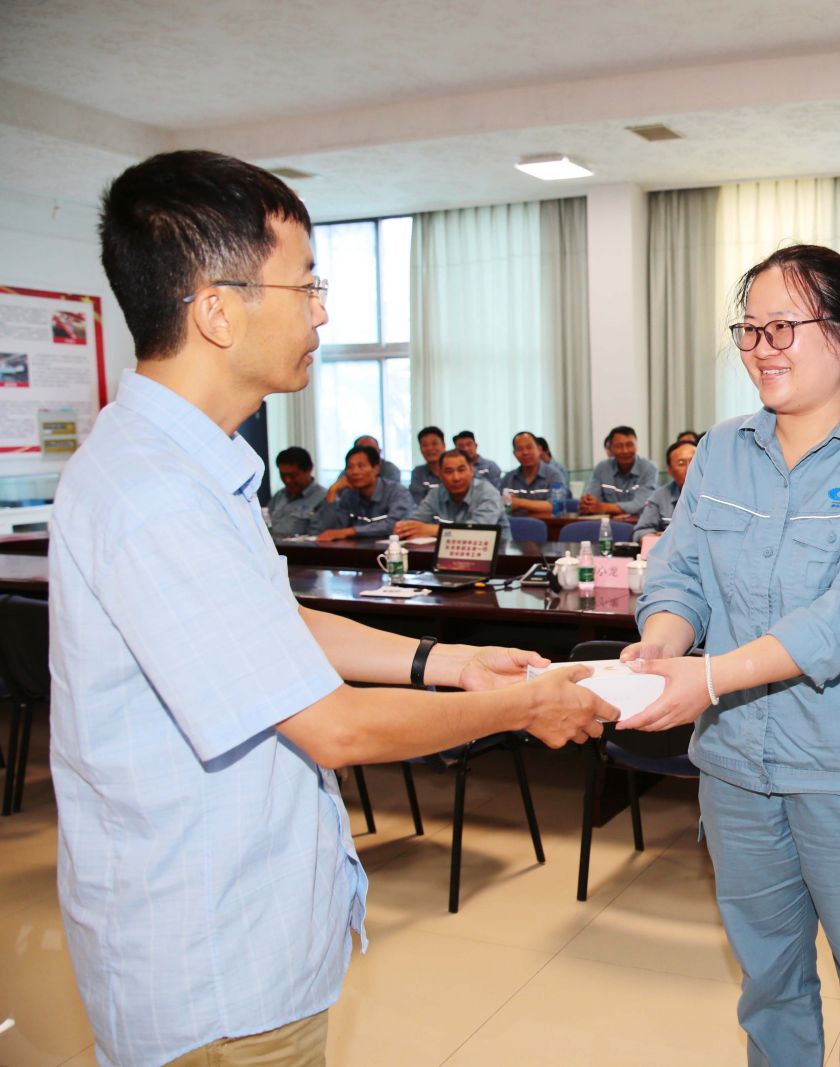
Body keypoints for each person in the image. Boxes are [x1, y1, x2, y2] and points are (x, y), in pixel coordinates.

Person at [51, 149, 614, 1067]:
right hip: (213, 972)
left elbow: (269, 623)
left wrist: (450, 661)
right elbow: (334, 728)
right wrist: (522, 705)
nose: (321, 312)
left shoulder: (190, 466)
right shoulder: (156, 493)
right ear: (217, 310)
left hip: (243, 936)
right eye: (306, 283)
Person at [624, 244, 840, 1066]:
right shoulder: (722, 450)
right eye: (750, 329)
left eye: (784, 327)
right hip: (736, 763)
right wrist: (661, 643)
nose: (763, 348)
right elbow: (681, 572)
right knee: (769, 977)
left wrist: (709, 677)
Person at [398, 448, 510, 537]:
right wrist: (404, 528)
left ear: (471, 470)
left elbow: (477, 531)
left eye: (461, 470)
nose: (456, 477)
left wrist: (432, 530)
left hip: (496, 555)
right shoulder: (436, 493)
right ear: (440, 475)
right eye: (449, 471)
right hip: (448, 554)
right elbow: (416, 521)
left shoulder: (488, 493)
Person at [314, 443, 415, 540]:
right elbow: (330, 530)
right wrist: (332, 492)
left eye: (361, 466)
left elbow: (396, 524)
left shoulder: (397, 492)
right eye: (350, 467)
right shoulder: (349, 495)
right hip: (357, 549)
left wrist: (350, 531)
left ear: (376, 469)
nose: (355, 472)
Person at [580, 425, 658, 516]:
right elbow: (591, 499)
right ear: (610, 449)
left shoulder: (648, 467)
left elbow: (641, 504)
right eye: (619, 446)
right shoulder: (602, 468)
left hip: (639, 521)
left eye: (630, 445)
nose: (625, 451)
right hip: (607, 521)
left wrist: (603, 507)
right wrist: (587, 503)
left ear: (637, 446)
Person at [633, 437, 695, 536]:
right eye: (681, 463)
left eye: (694, 460)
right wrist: (657, 536)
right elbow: (641, 531)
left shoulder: (720, 493)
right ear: (670, 471)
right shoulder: (660, 497)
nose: (690, 468)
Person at [319, 433, 402, 503]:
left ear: (379, 452)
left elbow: (388, 496)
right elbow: (339, 501)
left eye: (371, 450)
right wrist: (332, 491)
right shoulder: (348, 472)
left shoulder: (390, 470)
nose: (355, 472)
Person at [268, 445, 326, 535]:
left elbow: (319, 535)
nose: (287, 480)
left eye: (292, 475)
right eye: (283, 475)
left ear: (309, 469)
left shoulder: (323, 498)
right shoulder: (280, 495)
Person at [500, 430, 560, 516]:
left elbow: (556, 506)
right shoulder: (508, 478)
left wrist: (519, 503)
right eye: (520, 449)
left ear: (539, 449)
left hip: (546, 523)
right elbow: (502, 506)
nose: (525, 452)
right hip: (514, 523)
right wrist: (507, 504)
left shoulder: (554, 476)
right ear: (514, 454)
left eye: (529, 447)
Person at [409, 424, 447, 501]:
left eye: (434, 444)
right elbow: (418, 501)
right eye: (425, 445)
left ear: (443, 445)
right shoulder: (418, 473)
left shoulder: (454, 470)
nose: (429, 448)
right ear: (420, 449)